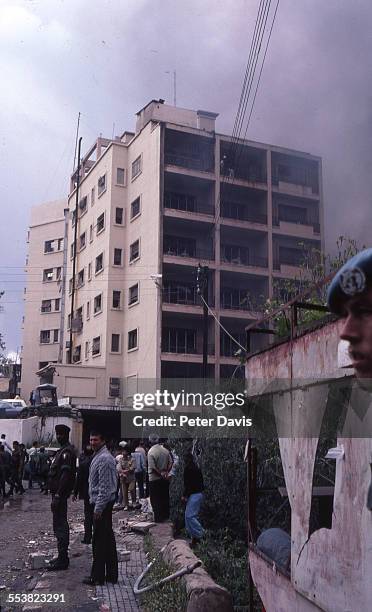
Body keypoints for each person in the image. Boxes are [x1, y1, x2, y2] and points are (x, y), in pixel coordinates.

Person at [83, 430, 118, 586]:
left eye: (95, 440)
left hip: (102, 505)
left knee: (99, 542)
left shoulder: (104, 458)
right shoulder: (99, 456)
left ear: (102, 441)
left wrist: (98, 509)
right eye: (91, 440)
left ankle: (97, 577)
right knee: (108, 541)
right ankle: (111, 575)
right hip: (102, 504)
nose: (92, 443)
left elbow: (104, 487)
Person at [47, 424, 76, 571]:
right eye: (57, 434)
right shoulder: (61, 451)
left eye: (61, 434)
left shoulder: (66, 453)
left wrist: (58, 495)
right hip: (57, 494)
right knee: (58, 525)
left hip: (60, 495)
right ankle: (61, 556)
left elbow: (65, 475)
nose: (58, 437)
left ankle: (63, 559)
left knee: (60, 526)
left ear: (66, 435)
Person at [147, 433, 172, 523]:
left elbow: (153, 468)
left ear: (150, 442)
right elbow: (171, 462)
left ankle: (158, 518)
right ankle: (166, 516)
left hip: (154, 479)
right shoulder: (165, 450)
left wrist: (160, 474)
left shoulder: (150, 452)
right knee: (165, 497)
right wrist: (166, 472)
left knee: (155, 499)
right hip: (164, 478)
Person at [182, 452, 204, 548]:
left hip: (194, 494)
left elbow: (188, 485)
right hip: (199, 494)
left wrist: (185, 496)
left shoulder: (188, 469)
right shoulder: (197, 468)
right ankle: (195, 539)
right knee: (189, 517)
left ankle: (202, 534)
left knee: (189, 516)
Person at [72, 444, 94, 544]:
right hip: (96, 492)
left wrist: (75, 492)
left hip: (87, 492)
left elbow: (79, 478)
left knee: (88, 516)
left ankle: (88, 537)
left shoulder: (83, 463)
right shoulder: (96, 461)